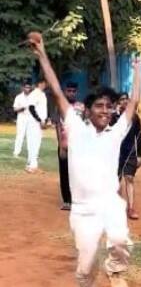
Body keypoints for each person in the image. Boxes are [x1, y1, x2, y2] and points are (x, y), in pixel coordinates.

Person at [29, 33, 141, 287]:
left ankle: (116, 271)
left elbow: (133, 104)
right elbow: (55, 89)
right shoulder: (76, 128)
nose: (105, 111)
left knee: (119, 239)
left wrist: (139, 69)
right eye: (99, 107)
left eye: (109, 107)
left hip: (109, 203)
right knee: (85, 266)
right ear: (89, 110)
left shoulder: (117, 133)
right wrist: (41, 54)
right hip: (82, 211)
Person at [53, 82, 84, 210]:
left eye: (73, 91)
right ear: (65, 91)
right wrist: (60, 145)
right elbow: (58, 126)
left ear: (76, 92)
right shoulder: (60, 106)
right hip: (65, 144)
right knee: (64, 172)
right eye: (69, 90)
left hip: (78, 145)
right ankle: (67, 201)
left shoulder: (80, 107)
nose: (71, 93)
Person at [114, 92, 141, 220]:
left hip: (130, 153)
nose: (125, 102)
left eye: (126, 99)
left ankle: (131, 208)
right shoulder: (113, 118)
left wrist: (140, 155)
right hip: (116, 154)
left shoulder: (135, 118)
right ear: (118, 103)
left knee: (129, 178)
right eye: (121, 100)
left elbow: (139, 136)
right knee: (116, 181)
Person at [24, 79, 48, 173]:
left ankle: (30, 165)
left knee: (33, 142)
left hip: (37, 122)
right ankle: (33, 166)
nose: (46, 85)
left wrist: (45, 120)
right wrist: (39, 120)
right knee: (34, 142)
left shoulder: (41, 94)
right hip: (34, 122)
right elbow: (31, 108)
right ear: (41, 83)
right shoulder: (36, 93)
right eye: (45, 83)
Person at [13, 79, 34, 159]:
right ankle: (16, 152)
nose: (27, 89)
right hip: (21, 118)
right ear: (23, 88)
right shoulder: (18, 97)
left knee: (30, 137)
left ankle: (31, 154)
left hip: (30, 118)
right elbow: (15, 109)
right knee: (20, 135)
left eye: (29, 87)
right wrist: (21, 108)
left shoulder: (33, 97)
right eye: (26, 87)